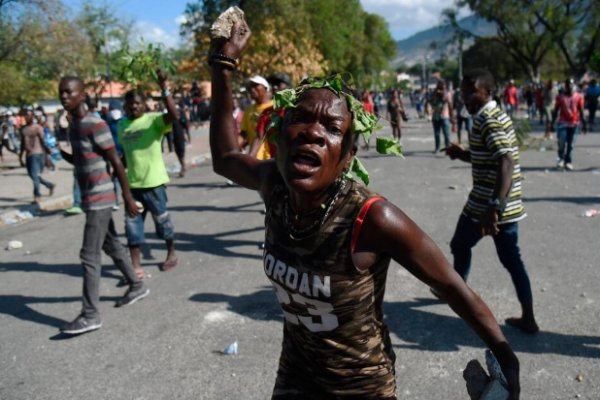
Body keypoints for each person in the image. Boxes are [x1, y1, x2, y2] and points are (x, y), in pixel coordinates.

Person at [209, 22, 521, 400]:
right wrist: (223, 63)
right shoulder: (275, 185)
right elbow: (225, 157)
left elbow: (450, 285)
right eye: (300, 119)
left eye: (332, 127)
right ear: (279, 138)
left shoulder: (371, 217)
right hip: (295, 372)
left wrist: (507, 359)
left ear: (347, 158)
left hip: (360, 386)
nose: (313, 132)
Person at [445, 68, 539, 337]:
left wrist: (494, 207)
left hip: (489, 206)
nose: (465, 97)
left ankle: (456, 292)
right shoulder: (489, 116)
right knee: (510, 259)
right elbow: (488, 156)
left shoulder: (489, 119)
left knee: (461, 245)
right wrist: (462, 154)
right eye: (463, 91)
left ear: (487, 91)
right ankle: (529, 318)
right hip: (497, 204)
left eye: (470, 91)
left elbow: (506, 160)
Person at [57, 76, 149, 335]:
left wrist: (128, 197)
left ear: (82, 95)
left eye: (69, 92)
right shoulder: (74, 125)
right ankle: (137, 285)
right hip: (89, 197)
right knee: (111, 244)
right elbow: (81, 159)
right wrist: (57, 152)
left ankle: (90, 314)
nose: (64, 97)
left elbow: (116, 162)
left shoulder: (95, 124)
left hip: (101, 197)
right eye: (61, 93)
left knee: (89, 254)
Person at [118, 71, 178, 279]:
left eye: (137, 103)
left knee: (162, 222)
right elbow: (125, 155)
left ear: (144, 104)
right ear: (124, 106)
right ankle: (135, 265)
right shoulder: (122, 125)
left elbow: (174, 115)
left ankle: (171, 253)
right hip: (133, 187)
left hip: (154, 184)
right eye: (130, 104)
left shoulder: (154, 121)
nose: (133, 107)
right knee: (132, 226)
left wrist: (165, 88)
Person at [19, 109, 55, 203]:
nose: (27, 117)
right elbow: (22, 144)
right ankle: (49, 185)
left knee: (35, 175)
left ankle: (37, 195)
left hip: (37, 153)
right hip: (28, 154)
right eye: (26, 115)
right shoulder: (23, 129)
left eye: (29, 115)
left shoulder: (37, 127)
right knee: (32, 175)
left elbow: (43, 140)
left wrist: (47, 150)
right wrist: (20, 156)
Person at [551, 78, 587, 171]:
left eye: (571, 84)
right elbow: (556, 111)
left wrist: (584, 124)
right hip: (562, 123)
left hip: (574, 123)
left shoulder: (579, 96)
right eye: (567, 84)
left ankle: (568, 161)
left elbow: (581, 110)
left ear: (574, 85)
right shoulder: (560, 97)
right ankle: (561, 159)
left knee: (571, 144)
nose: (569, 86)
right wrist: (551, 124)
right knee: (562, 142)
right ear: (565, 86)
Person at [240, 75, 273, 159]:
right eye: (250, 87)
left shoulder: (276, 107)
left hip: (272, 159)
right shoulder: (248, 110)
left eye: (255, 85)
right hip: (255, 158)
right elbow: (244, 134)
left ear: (266, 88)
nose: (252, 89)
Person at [425, 80, 454, 153]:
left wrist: (452, 116)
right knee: (437, 133)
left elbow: (450, 105)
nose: (442, 87)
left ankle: (448, 148)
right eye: (441, 86)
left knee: (446, 133)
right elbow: (429, 101)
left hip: (445, 116)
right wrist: (435, 94)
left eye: (444, 86)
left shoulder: (447, 93)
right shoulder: (433, 93)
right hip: (435, 116)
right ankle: (437, 148)